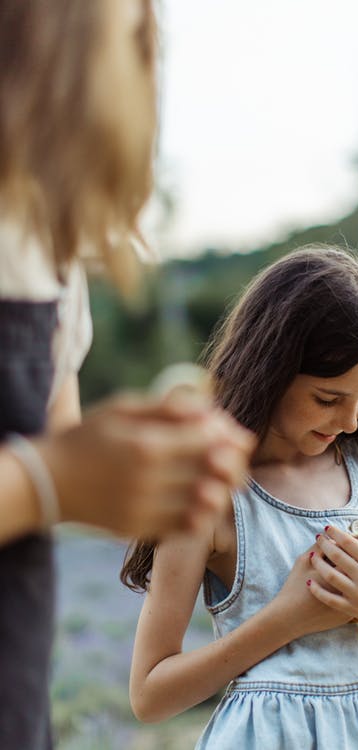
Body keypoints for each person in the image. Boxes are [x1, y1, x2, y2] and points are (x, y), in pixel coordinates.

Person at [0, 1, 253, 748]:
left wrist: (134, 477)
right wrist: (49, 480)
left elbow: (50, 470)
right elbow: (40, 478)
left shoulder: (41, 249)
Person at [123, 245, 358, 749]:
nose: (352, 420)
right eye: (328, 398)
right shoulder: (211, 491)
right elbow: (149, 695)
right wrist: (290, 617)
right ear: (271, 368)